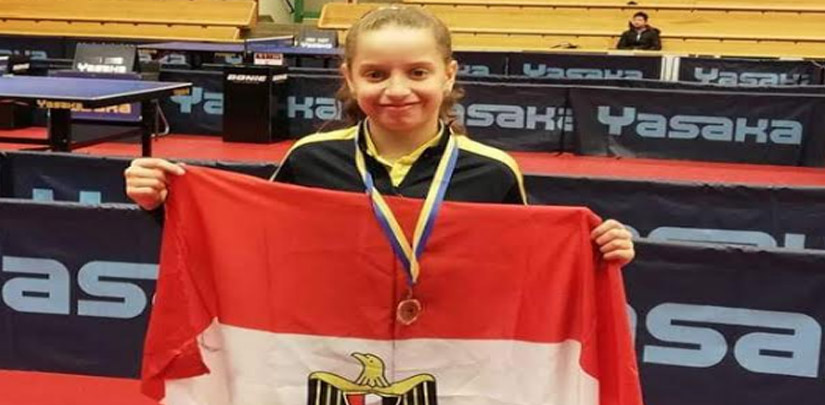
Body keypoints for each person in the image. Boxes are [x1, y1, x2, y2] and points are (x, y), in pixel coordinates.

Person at [125, 6, 634, 263]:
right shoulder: (309, 159)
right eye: (375, 74)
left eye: (417, 72)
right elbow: (249, 241)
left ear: (448, 76)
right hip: (331, 353)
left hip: (448, 360)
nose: (396, 90)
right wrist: (164, 203)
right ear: (349, 78)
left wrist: (597, 253)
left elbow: (529, 267)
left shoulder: (493, 171)